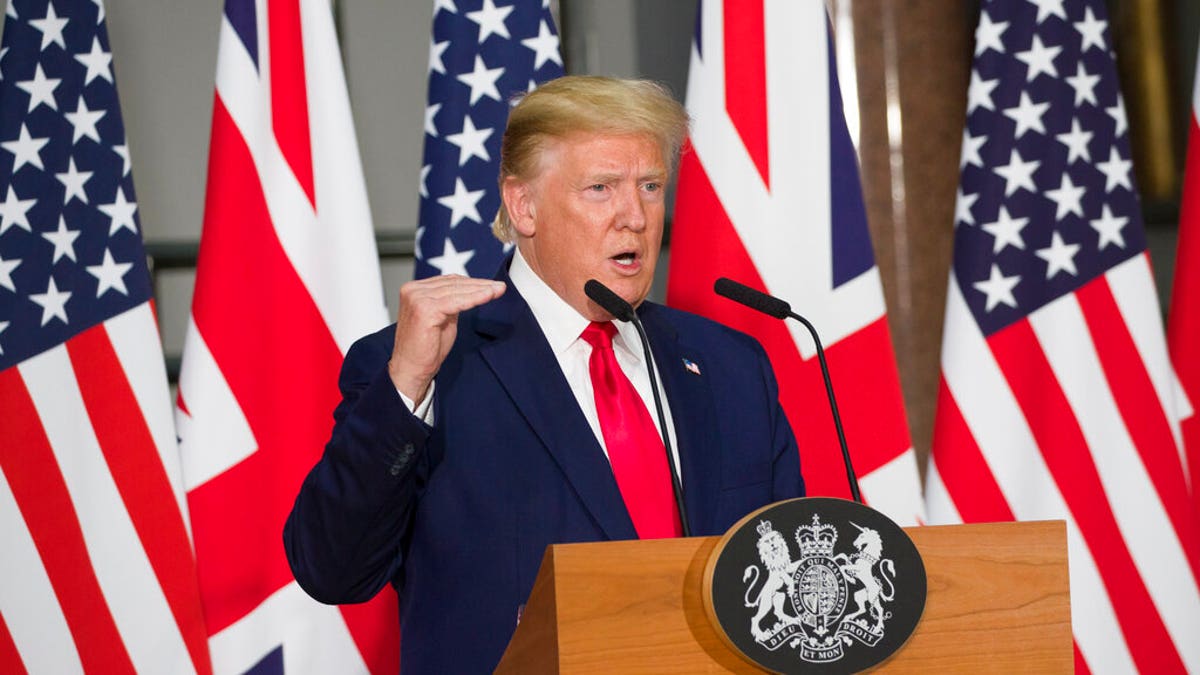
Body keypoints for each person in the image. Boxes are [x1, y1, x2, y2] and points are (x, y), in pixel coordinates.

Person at [284, 75, 805, 673]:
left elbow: (788, 577)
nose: (634, 216)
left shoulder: (730, 365)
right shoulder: (428, 369)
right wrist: (406, 387)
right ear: (524, 206)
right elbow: (332, 568)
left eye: (651, 186)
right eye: (601, 188)